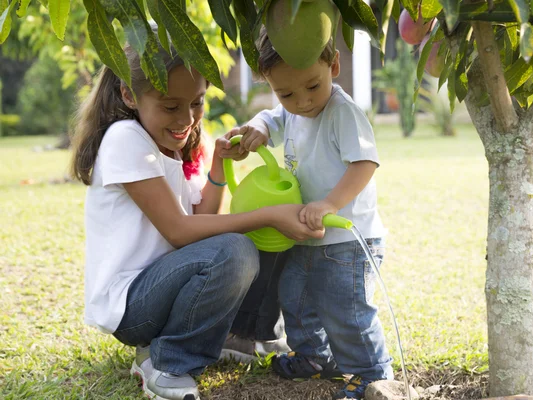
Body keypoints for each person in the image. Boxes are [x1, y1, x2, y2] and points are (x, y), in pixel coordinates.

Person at [70, 27, 323, 400]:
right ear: (129, 94)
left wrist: (218, 164)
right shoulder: (126, 138)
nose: (186, 118)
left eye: (197, 102)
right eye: (170, 106)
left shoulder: (173, 146)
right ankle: (168, 362)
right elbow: (179, 230)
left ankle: (241, 336)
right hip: (133, 305)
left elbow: (202, 214)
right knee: (237, 247)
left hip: (171, 287)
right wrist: (268, 215)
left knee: (257, 236)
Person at [234, 28, 394, 399]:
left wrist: (329, 204)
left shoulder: (343, 113)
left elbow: (365, 163)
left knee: (347, 310)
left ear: (333, 65)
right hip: (306, 235)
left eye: (311, 87)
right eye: (286, 93)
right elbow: (273, 119)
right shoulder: (291, 111)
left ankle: (372, 374)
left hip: (347, 241)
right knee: (296, 298)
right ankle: (313, 356)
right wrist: (257, 127)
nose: (302, 101)